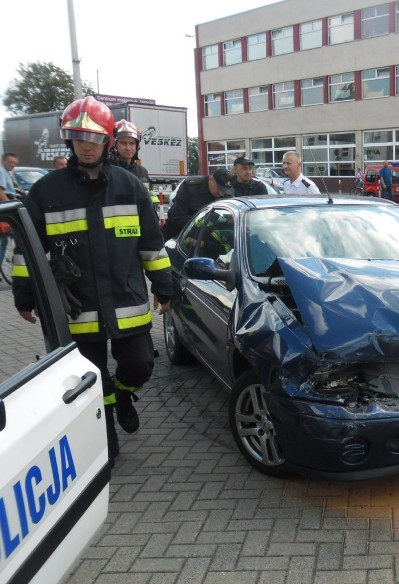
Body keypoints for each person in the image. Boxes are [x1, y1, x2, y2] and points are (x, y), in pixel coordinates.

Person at [12, 96, 172, 467]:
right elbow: (27, 251)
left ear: (107, 141)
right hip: (78, 306)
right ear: (69, 140)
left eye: (94, 137)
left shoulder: (130, 186)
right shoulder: (47, 192)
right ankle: (106, 436)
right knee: (91, 376)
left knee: (141, 365)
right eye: (78, 136)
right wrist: (24, 295)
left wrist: (164, 286)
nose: (86, 143)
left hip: (126, 301)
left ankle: (124, 393)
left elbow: (151, 243)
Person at [162, 168, 235, 239]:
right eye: (219, 188)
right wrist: (203, 224)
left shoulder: (226, 194)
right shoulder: (191, 187)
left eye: (224, 190)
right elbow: (176, 217)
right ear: (211, 179)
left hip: (204, 239)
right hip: (177, 235)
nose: (221, 193)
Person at [111, 119, 150, 188]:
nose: (128, 148)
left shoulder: (142, 172)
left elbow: (147, 196)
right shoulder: (106, 170)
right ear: (114, 144)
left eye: (132, 143)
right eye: (123, 143)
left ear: (137, 146)